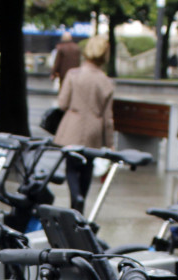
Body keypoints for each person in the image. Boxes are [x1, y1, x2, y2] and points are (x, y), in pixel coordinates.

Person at [53, 35, 114, 214]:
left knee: (71, 166)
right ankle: (82, 203)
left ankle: (75, 197)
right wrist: (109, 142)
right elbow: (108, 117)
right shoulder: (106, 82)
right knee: (87, 167)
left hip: (73, 126)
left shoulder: (73, 75)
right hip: (93, 130)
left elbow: (63, 103)